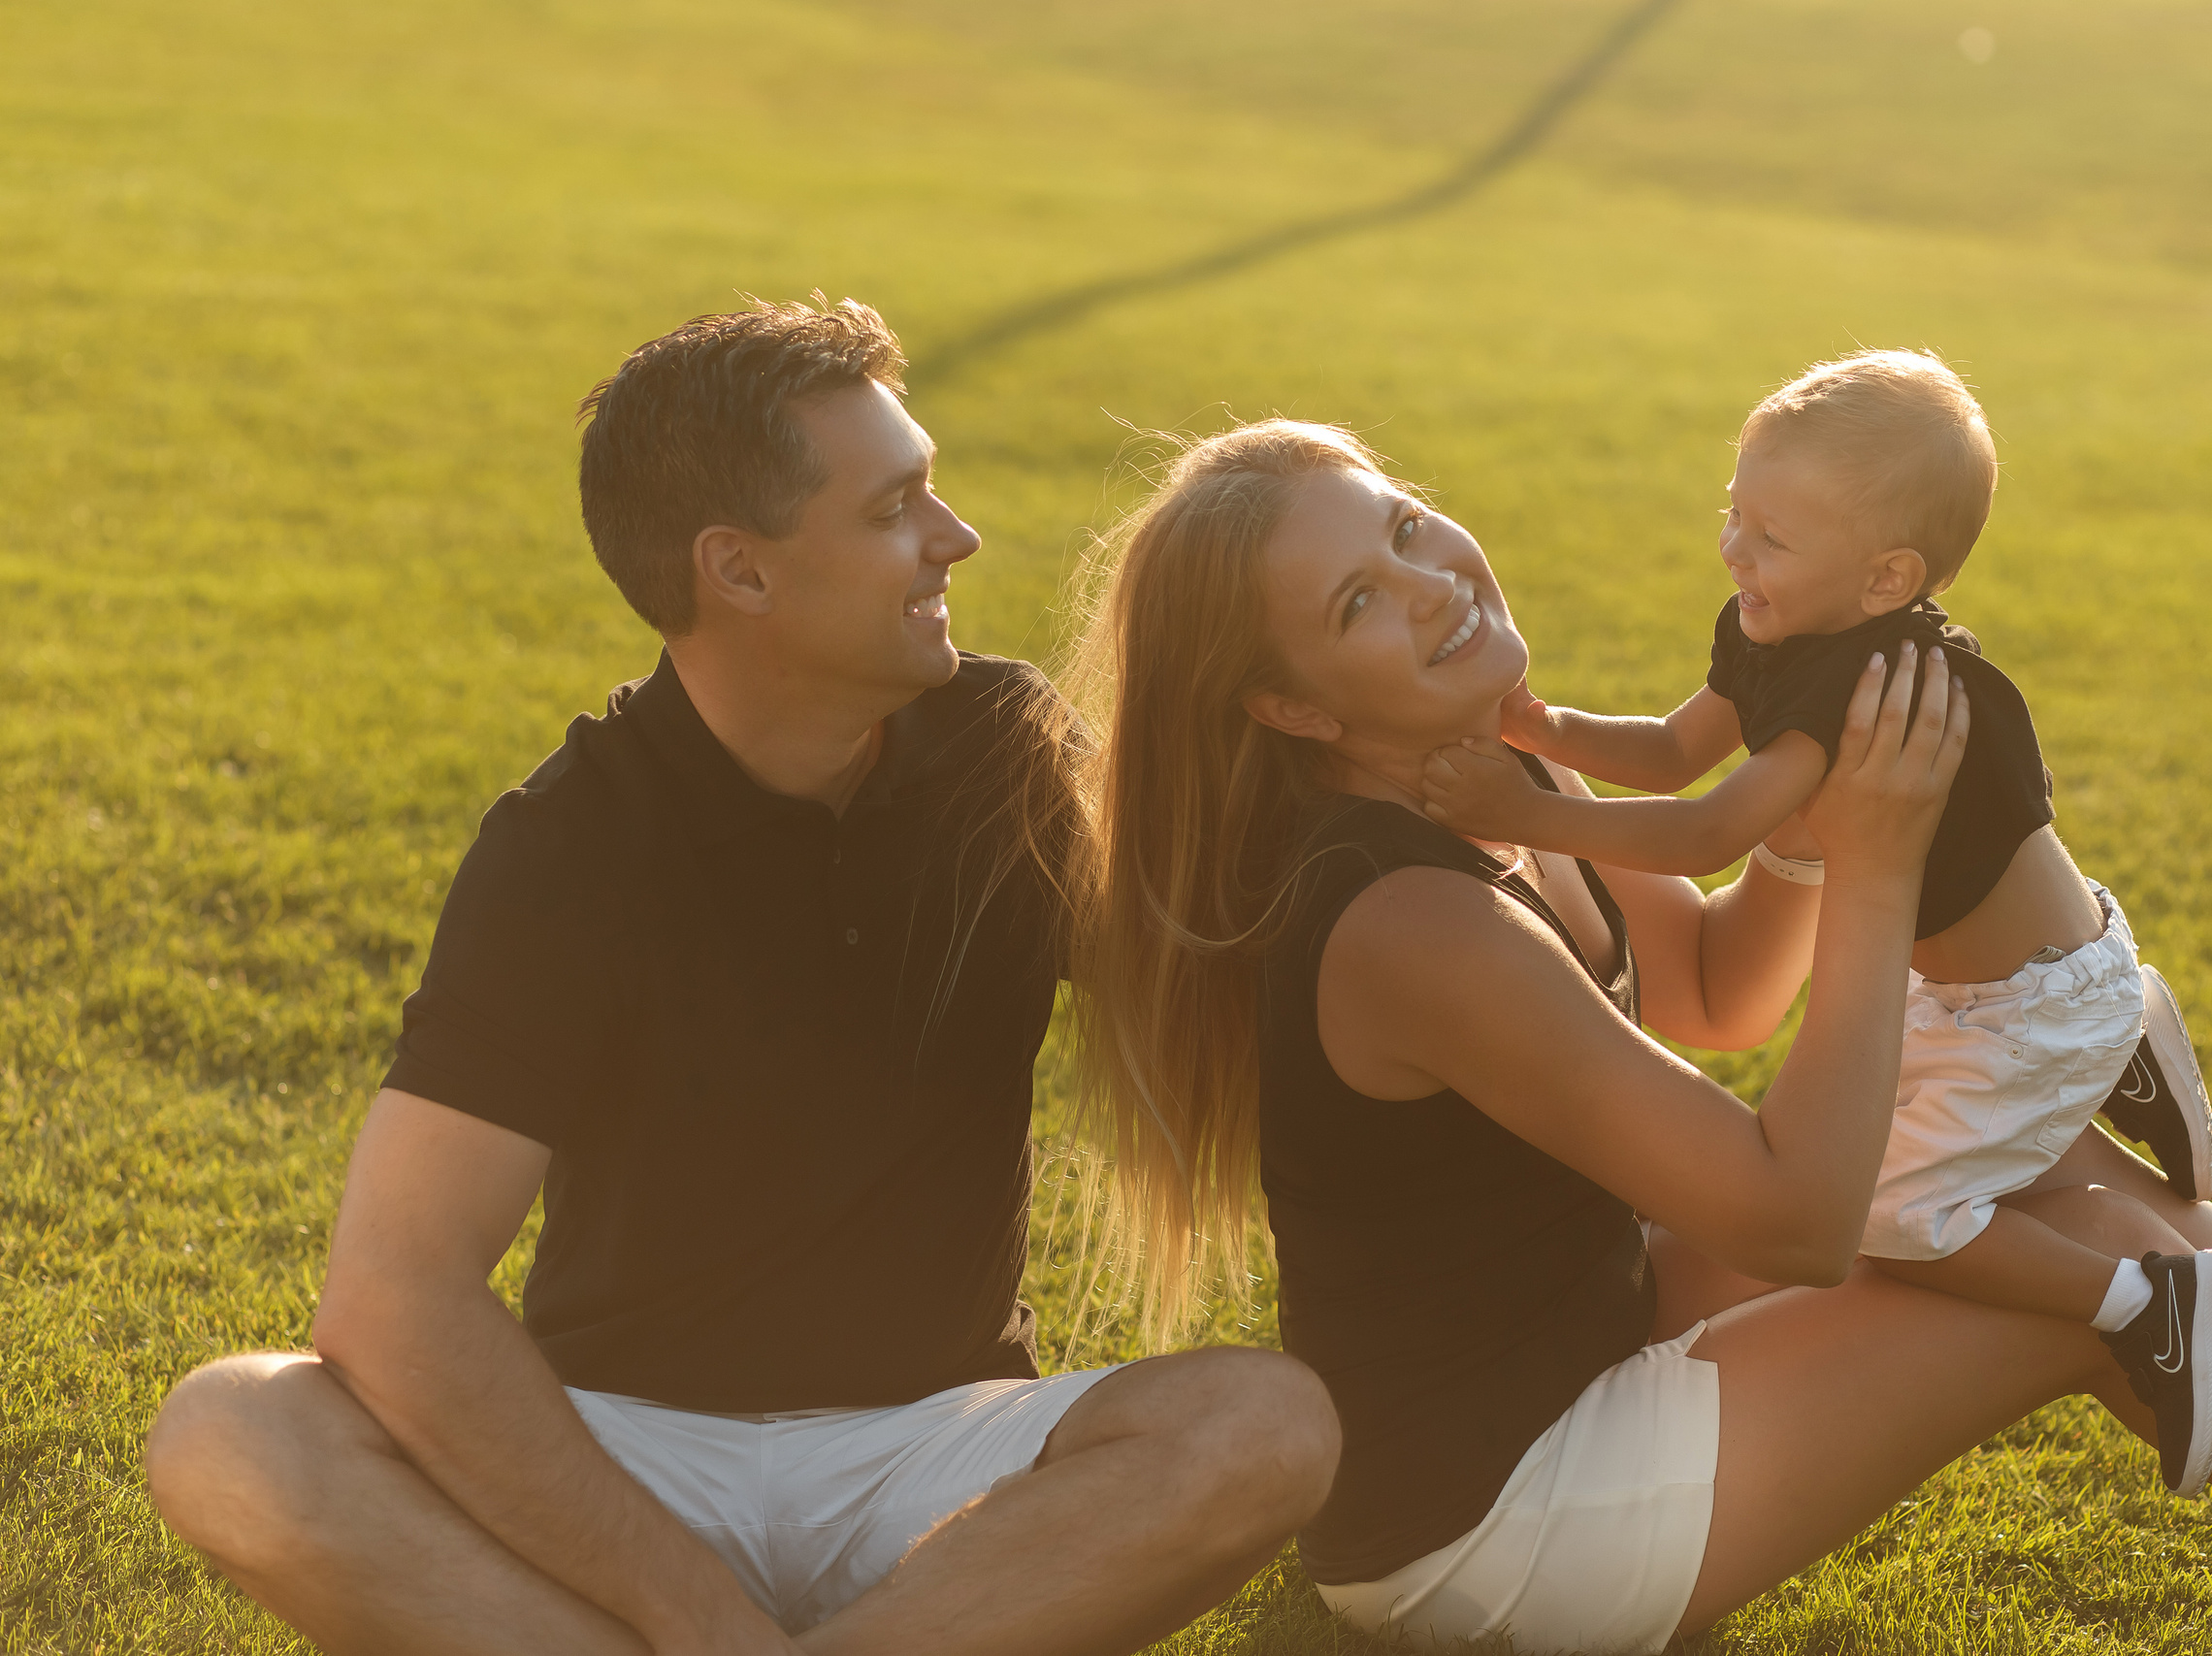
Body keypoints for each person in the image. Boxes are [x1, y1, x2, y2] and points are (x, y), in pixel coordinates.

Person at [1070, 417, 2212, 1655]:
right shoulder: (1404, 922)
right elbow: (1803, 1216)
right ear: (1295, 704)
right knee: (2097, 1290)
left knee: (2057, 1169)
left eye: (1406, 522)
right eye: (1363, 598)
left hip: (1594, 1327)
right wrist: (1876, 867)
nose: (1438, 577)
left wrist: (1806, 835)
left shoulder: (1506, 767)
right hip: (1489, 1519)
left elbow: (1715, 986)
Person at [142, 298, 1339, 1656]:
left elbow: (1227, 985)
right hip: (627, 1453)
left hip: (936, 1457)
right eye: (897, 507)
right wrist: (695, 1609)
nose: (956, 538)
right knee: (232, 1430)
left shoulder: (1005, 756)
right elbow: (395, 1288)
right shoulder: (568, 844)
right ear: (742, 571)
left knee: (1264, 1421)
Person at [1414, 349, 2212, 1494]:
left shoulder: (1860, 683)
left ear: (1883, 579)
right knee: (1893, 1134)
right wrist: (1547, 732)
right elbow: (1669, 752)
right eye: (1733, 514)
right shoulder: (1773, 627)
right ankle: (2122, 1034)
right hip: (1991, 977)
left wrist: (1519, 810)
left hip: (2022, 1007)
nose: (1732, 550)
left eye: (1771, 537)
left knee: (1891, 1211)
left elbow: (1710, 834)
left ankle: (2147, 1300)